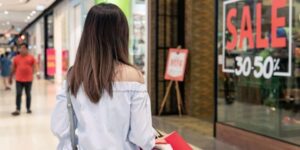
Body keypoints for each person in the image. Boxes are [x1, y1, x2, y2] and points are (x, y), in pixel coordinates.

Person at [51, 3, 155, 149]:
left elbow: (61, 127)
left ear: (87, 34)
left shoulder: (73, 75)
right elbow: (142, 137)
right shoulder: (134, 77)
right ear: (122, 35)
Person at [10, 43, 40, 116]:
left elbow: (35, 66)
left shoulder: (31, 57)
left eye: (23, 48)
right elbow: (13, 68)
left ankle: (28, 108)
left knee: (28, 94)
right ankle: (18, 109)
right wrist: (10, 77)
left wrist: (37, 73)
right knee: (18, 93)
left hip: (28, 79)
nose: (22, 50)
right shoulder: (16, 58)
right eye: (20, 48)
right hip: (18, 79)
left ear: (26, 49)